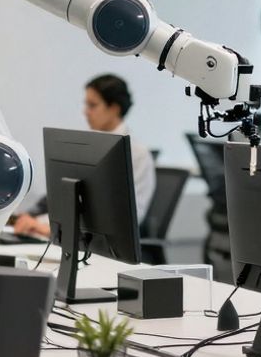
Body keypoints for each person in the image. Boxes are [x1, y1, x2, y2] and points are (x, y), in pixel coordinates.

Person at [11, 74, 156, 238]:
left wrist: (50, 227)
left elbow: (130, 217)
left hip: (99, 244)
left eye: (92, 105)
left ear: (114, 108)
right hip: (70, 237)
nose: (85, 112)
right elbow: (66, 197)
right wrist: (34, 218)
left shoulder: (137, 154)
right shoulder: (86, 147)